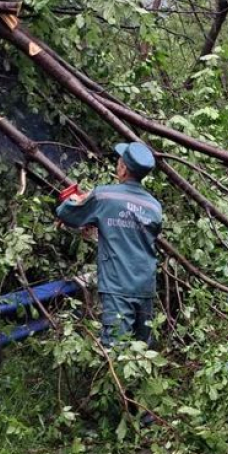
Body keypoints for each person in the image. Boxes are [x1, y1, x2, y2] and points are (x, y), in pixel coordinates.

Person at [56, 143, 162, 347]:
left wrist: (76, 200)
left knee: (116, 348)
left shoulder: (105, 196)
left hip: (117, 285)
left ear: (123, 168)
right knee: (142, 348)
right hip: (145, 286)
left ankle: (118, 380)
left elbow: (67, 213)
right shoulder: (154, 206)